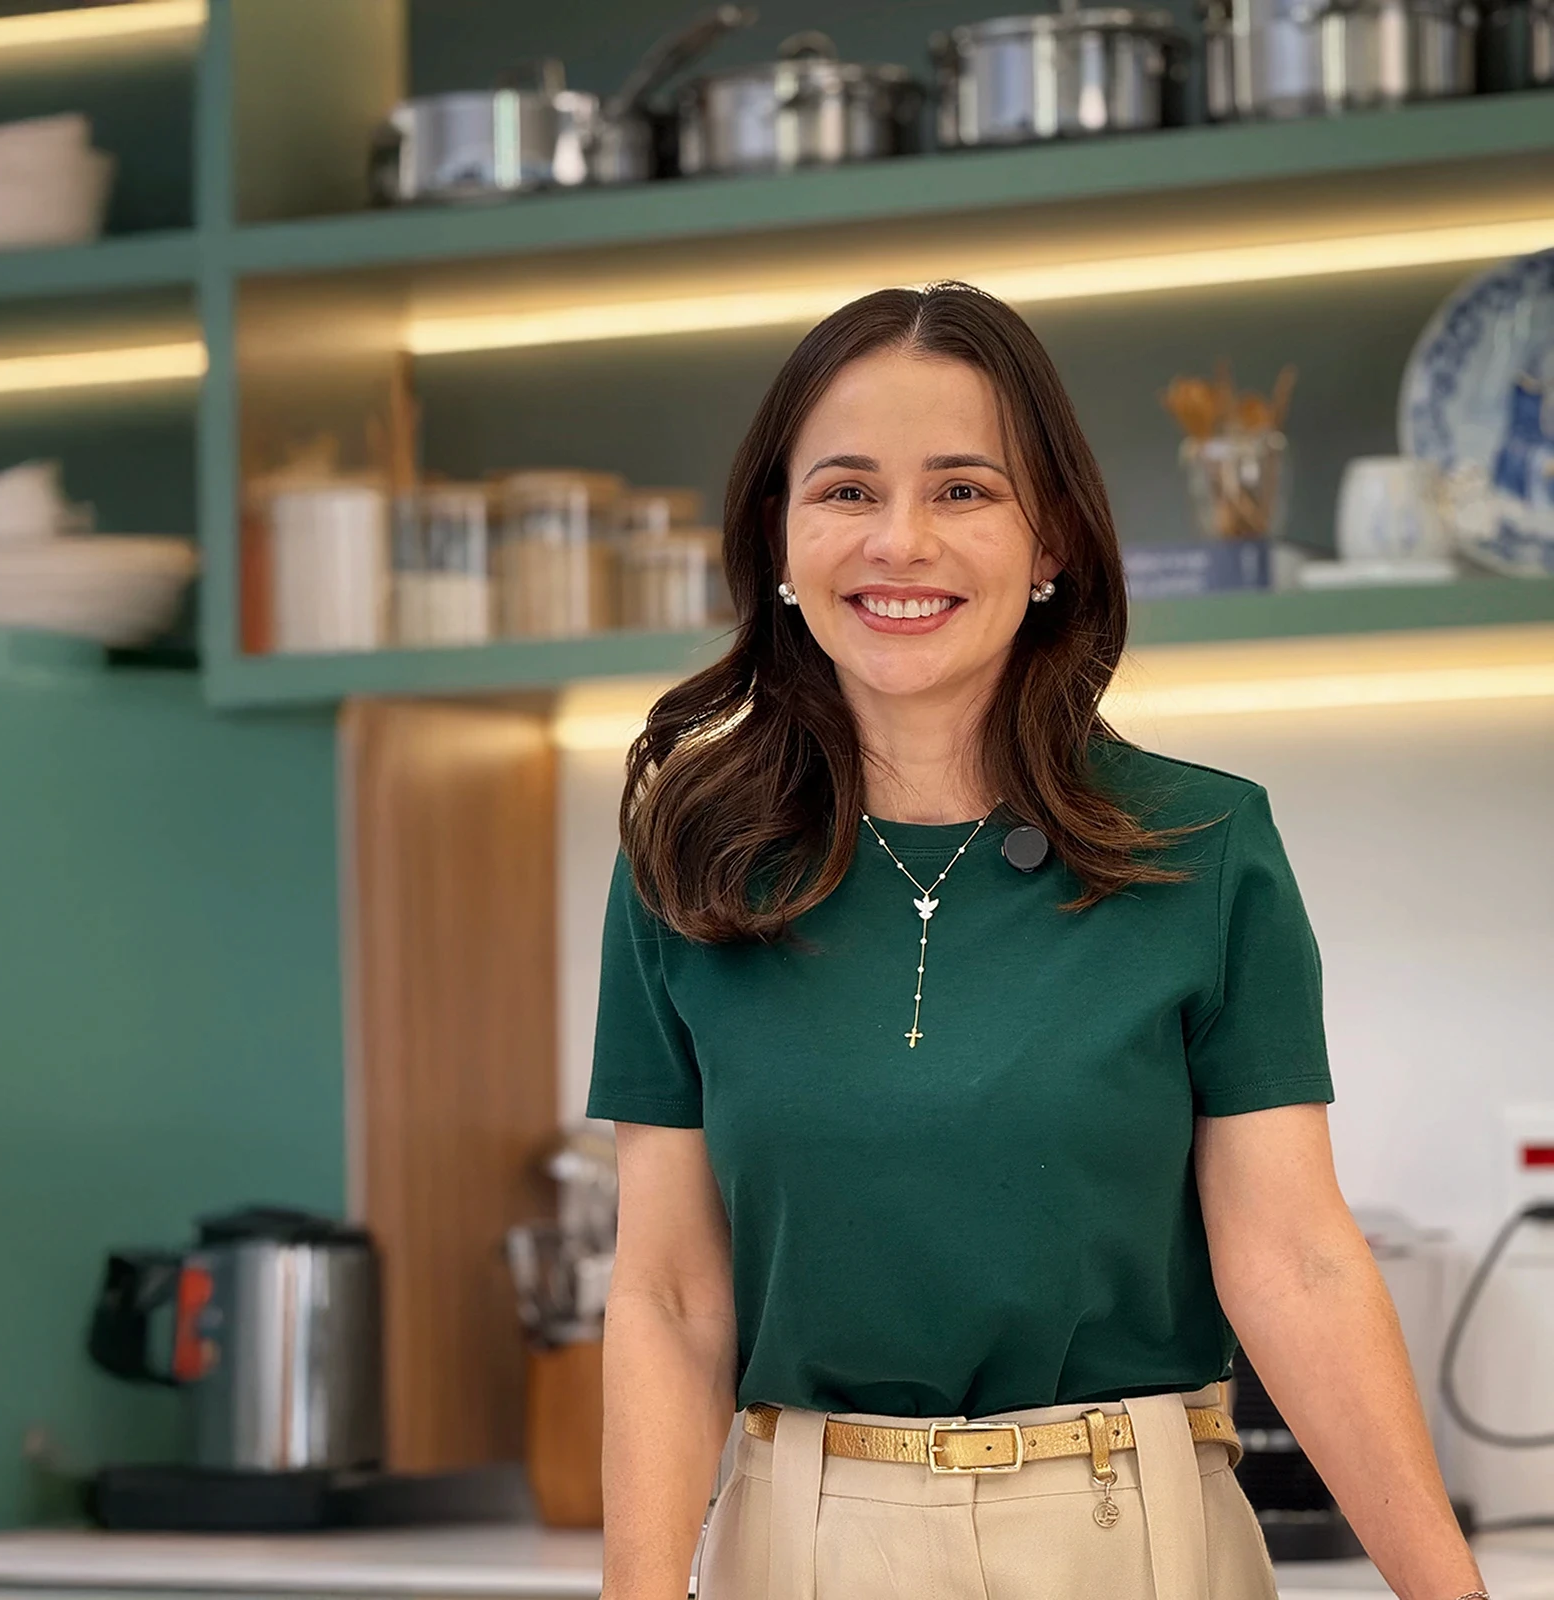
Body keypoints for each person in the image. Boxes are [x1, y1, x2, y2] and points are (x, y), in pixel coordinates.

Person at [590, 284, 1483, 1600]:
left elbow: (1292, 1258)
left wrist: (1449, 1596)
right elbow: (667, 1298)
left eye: (963, 490)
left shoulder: (1204, 847)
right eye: (846, 491)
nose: (902, 542)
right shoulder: (686, 864)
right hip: (798, 1543)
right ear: (778, 536)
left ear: (1051, 535)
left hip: (1137, 1534)